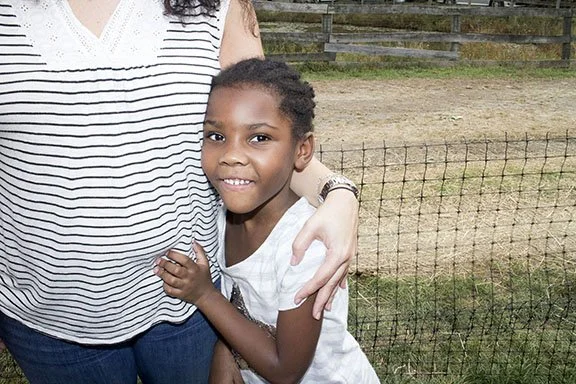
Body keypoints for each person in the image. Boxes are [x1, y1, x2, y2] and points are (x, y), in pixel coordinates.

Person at [0, 1, 359, 383]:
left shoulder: (222, 6)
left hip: (187, 304)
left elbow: (269, 127)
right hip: (49, 313)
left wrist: (339, 194)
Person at [155, 57, 379, 383]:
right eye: (216, 136)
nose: (231, 155)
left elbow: (285, 369)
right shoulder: (223, 215)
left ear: (302, 150)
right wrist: (226, 347)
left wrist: (204, 295)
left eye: (259, 138)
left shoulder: (305, 247)